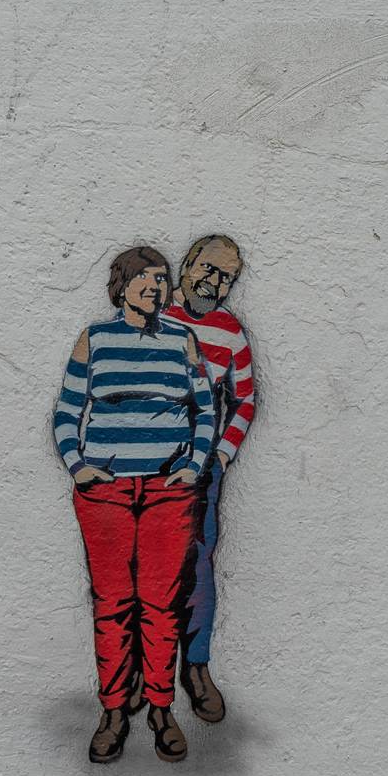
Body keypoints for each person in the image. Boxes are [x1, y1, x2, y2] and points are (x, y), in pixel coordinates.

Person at [52, 245, 216, 765]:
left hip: (168, 494)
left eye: (162, 279)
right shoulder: (95, 340)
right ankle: (115, 711)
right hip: (107, 495)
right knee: (113, 605)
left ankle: (162, 709)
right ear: (120, 286)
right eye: (144, 278)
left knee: (161, 605)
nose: (155, 287)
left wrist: (192, 466)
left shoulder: (181, 340)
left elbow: (205, 410)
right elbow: (66, 411)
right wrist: (79, 467)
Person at [161, 235, 255, 723]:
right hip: (146, 467)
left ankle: (195, 670)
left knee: (197, 570)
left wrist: (220, 456)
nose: (215, 284)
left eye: (226, 279)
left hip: (201, 474)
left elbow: (245, 401)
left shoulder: (230, 333)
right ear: (188, 263)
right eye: (209, 270)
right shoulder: (154, 314)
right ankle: (143, 676)